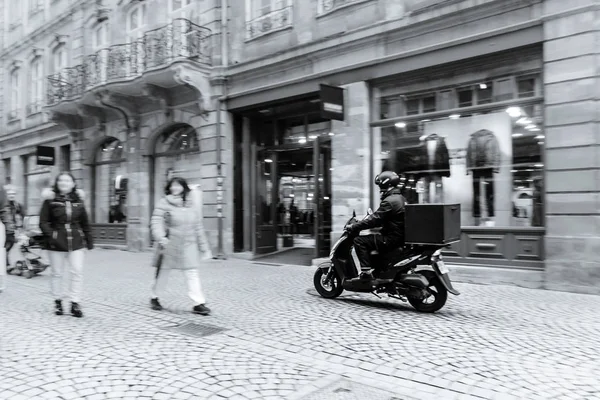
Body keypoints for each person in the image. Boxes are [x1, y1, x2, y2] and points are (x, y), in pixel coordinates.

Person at [150, 177, 212, 315]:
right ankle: (155, 297)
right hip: (169, 244)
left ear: (184, 187)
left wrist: (204, 248)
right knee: (163, 273)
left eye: (178, 185)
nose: (175, 188)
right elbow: (156, 221)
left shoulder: (191, 205)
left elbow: (198, 227)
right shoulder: (164, 202)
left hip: (189, 244)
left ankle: (198, 303)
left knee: (192, 273)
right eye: (172, 186)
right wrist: (160, 237)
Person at [39, 172, 94, 317]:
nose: (64, 183)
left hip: (76, 241)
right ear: (57, 183)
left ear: (73, 184)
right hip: (57, 242)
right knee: (57, 273)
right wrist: (52, 236)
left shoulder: (79, 201)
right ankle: (58, 302)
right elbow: (43, 221)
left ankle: (75, 302)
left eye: (67, 180)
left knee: (77, 271)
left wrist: (89, 239)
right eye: (61, 180)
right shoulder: (50, 201)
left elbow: (85, 222)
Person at [345, 171, 406, 282]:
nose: (379, 188)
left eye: (380, 185)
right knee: (372, 239)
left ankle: (366, 273)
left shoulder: (389, 201)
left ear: (385, 184)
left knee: (359, 241)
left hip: (391, 238)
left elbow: (374, 220)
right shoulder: (400, 198)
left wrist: (354, 226)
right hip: (398, 236)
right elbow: (384, 219)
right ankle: (378, 269)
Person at [3, 185, 25, 268]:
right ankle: (5, 264)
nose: (11, 195)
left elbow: (22, 216)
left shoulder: (17, 205)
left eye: (13, 194)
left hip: (11, 230)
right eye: (9, 194)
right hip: (3, 229)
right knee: (5, 246)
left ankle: (5, 263)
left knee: (8, 246)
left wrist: (20, 227)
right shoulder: (3, 205)